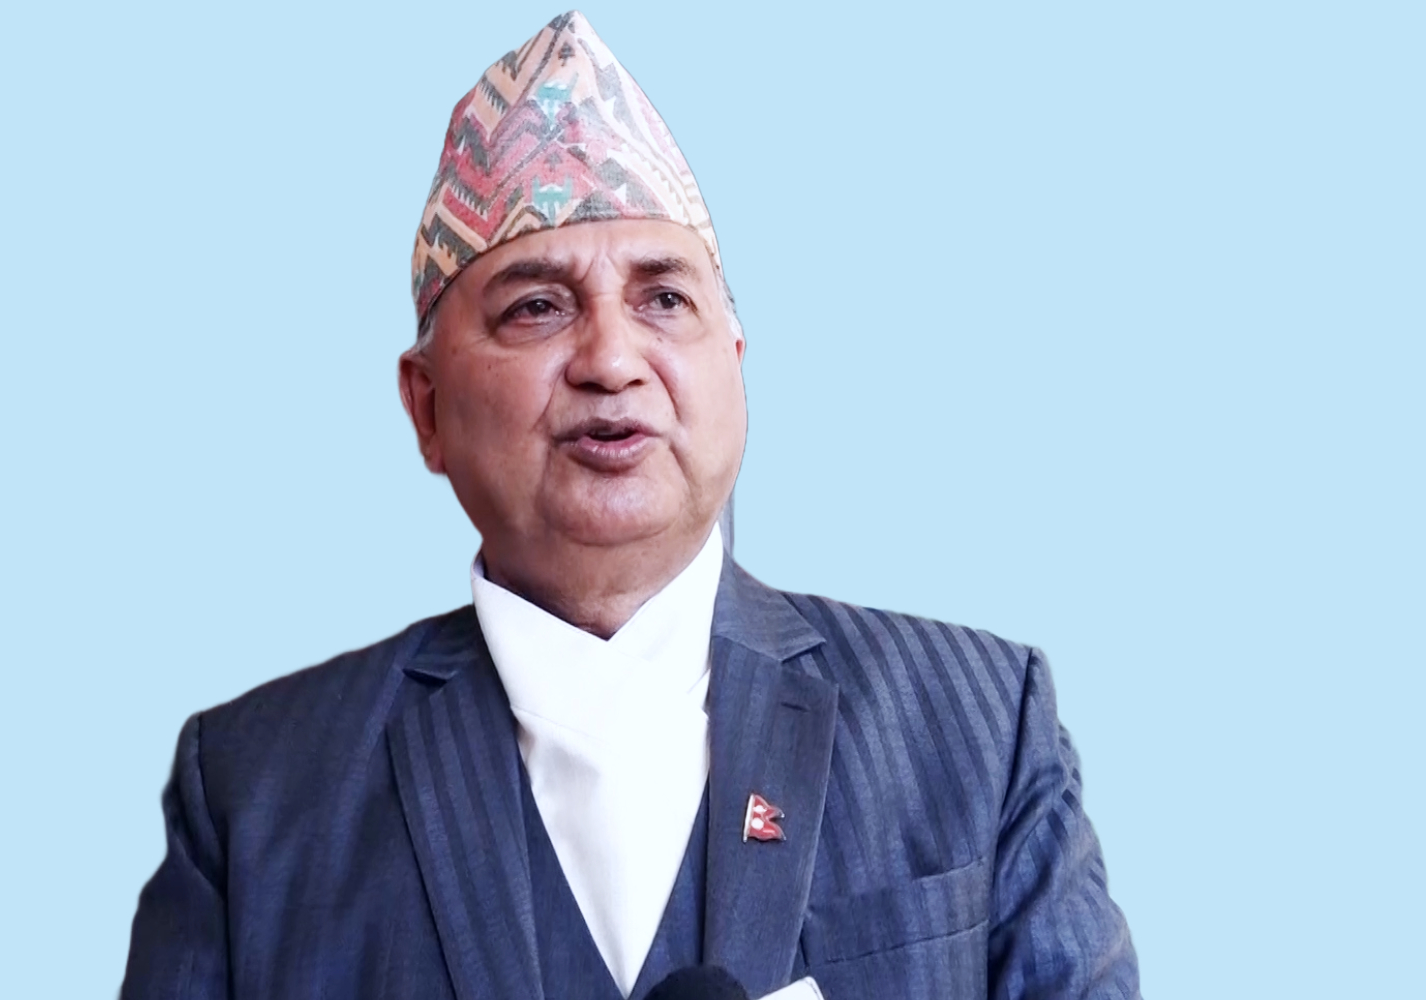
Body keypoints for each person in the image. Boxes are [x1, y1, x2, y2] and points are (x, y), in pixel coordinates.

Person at [121, 11, 1140, 999]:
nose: (611, 359)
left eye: (664, 299)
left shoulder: (977, 728)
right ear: (426, 408)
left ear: (734, 366)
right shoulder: (256, 795)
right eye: (537, 307)